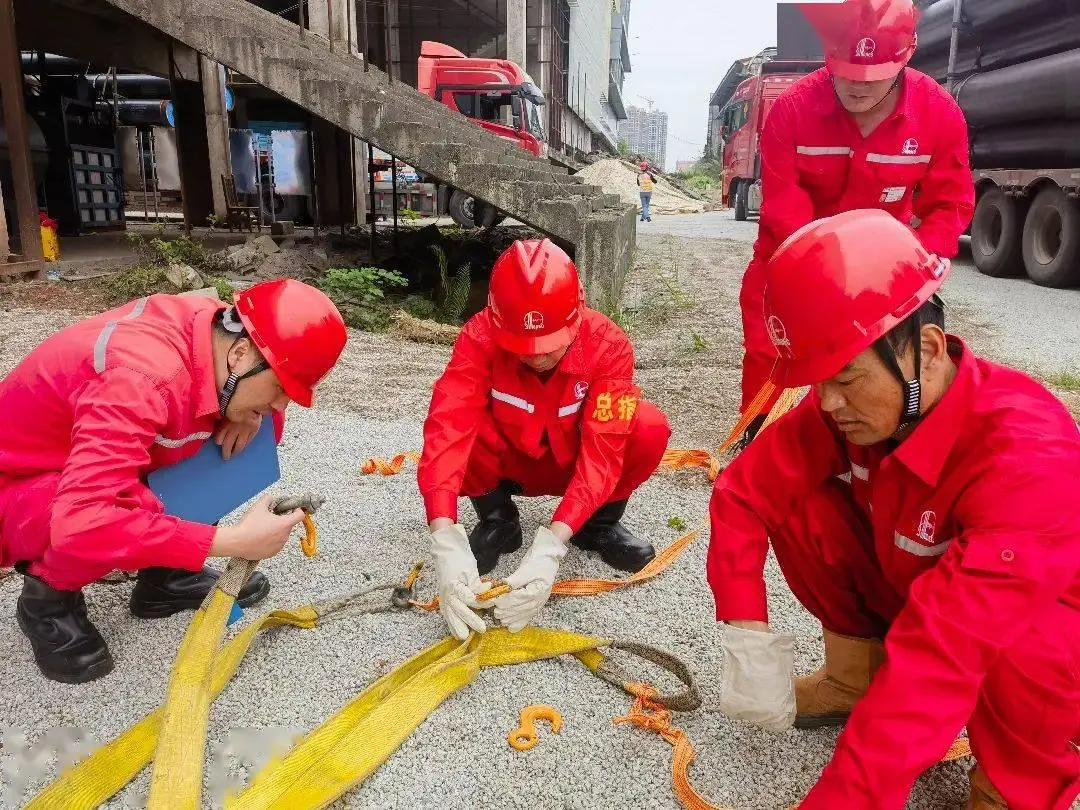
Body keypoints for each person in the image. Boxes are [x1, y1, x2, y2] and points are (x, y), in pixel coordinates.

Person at [708, 209, 1080, 810]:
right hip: (927, 587)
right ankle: (855, 678)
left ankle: (1017, 784)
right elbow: (742, 495)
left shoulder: (1026, 455)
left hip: (1028, 627)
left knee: (1030, 638)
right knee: (804, 506)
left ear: (926, 350)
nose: (827, 404)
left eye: (846, 380)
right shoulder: (861, 404)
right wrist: (746, 628)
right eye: (817, 382)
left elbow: (942, 653)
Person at [0, 278, 348, 683]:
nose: (280, 403)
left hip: (82, 460)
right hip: (20, 485)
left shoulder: (218, 332)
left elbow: (250, 394)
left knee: (247, 433)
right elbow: (79, 522)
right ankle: (47, 601)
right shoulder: (138, 380)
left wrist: (253, 415)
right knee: (117, 511)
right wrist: (232, 542)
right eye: (279, 388)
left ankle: (167, 578)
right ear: (239, 353)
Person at [736, 0, 975, 447]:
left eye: (874, 76)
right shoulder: (791, 110)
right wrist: (821, 281)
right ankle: (763, 444)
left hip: (884, 275)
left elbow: (951, 203)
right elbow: (784, 208)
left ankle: (880, 447)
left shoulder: (938, 115)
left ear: (906, 57)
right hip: (793, 259)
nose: (858, 86)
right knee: (773, 357)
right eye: (845, 71)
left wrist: (917, 264)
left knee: (885, 361)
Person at [418, 238, 671, 641]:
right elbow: (448, 425)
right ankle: (498, 520)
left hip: (576, 463)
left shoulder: (612, 346)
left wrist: (552, 545)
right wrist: (443, 533)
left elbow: (605, 451)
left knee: (646, 426)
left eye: (550, 345)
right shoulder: (478, 336)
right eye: (522, 346)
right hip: (510, 464)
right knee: (458, 422)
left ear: (578, 313)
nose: (537, 357)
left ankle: (595, 525)